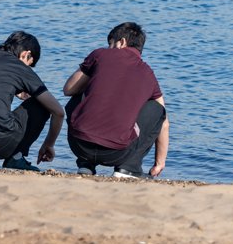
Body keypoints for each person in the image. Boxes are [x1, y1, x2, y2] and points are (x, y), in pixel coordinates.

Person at [63, 22, 169, 178]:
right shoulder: (148, 73)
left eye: (110, 44)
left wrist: (94, 81)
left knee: (79, 95)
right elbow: (164, 123)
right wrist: (159, 162)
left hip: (80, 145)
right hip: (117, 153)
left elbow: (68, 89)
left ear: (122, 42)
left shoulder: (99, 55)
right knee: (157, 110)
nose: (108, 48)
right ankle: (127, 169)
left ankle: (86, 165)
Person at [0, 31, 64, 171]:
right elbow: (58, 112)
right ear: (26, 54)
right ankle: (16, 158)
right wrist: (48, 144)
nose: (28, 69)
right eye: (29, 64)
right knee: (42, 105)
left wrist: (15, 89)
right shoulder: (19, 67)